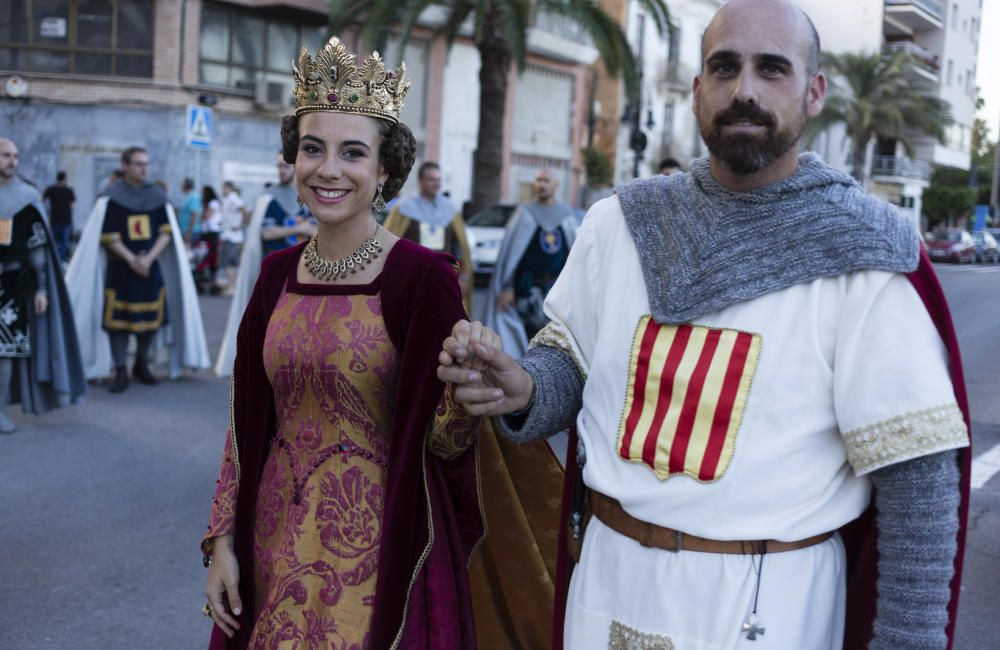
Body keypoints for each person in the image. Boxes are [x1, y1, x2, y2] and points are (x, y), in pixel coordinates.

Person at [438, 1, 971, 648]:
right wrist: (520, 386)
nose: (744, 89)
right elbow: (569, 363)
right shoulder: (621, 223)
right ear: (697, 90)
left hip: (768, 607)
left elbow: (919, 478)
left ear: (815, 92)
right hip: (606, 585)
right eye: (725, 66)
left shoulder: (864, 253)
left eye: (772, 69)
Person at [201, 36, 484, 649]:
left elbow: (446, 438)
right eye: (312, 149)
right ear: (292, 158)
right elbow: (244, 419)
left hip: (382, 555)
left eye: (352, 153)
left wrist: (470, 384)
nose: (327, 169)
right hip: (271, 543)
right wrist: (224, 540)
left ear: (384, 170)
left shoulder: (420, 277)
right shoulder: (276, 273)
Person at [66, 146, 209, 390]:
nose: (144, 168)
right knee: (117, 323)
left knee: (150, 320)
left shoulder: (157, 196)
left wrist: (147, 259)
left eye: (146, 163)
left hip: (149, 268)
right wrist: (132, 259)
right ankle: (120, 369)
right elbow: (108, 234)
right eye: (138, 164)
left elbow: (166, 232)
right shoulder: (112, 197)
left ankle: (141, 364)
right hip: (121, 269)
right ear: (125, 166)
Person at [0, 138, 85, 432]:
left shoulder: (26, 197)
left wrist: (41, 290)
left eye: (15, 155)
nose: (12, 161)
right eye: (5, 155)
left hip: (13, 286)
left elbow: (38, 249)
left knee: (6, 351)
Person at [213, 153, 315, 377]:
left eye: (286, 166)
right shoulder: (268, 199)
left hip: (305, 270)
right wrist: (300, 229)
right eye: (279, 166)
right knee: (272, 322)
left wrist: (308, 230)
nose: (282, 170)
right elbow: (266, 232)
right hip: (275, 271)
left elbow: (320, 231)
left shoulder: (310, 197)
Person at [483, 169, 579, 359]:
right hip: (527, 288)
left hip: (556, 289)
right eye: (538, 180)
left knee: (553, 339)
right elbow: (512, 257)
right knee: (526, 338)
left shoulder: (567, 217)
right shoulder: (524, 214)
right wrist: (508, 287)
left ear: (556, 185)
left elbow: (575, 257)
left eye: (546, 180)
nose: (541, 184)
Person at [384, 161, 473, 310]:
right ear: (421, 181)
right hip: (412, 278)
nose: (436, 184)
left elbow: (459, 248)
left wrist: (463, 277)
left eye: (438, 180)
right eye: (432, 179)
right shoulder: (404, 208)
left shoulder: (450, 209)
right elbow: (389, 243)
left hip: (444, 276)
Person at [219, 181, 247, 296]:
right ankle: (232, 286)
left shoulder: (234, 198)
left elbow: (244, 211)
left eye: (223, 188)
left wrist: (241, 225)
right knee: (230, 262)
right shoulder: (227, 199)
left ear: (228, 188)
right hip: (228, 235)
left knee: (228, 262)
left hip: (232, 236)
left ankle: (232, 286)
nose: (222, 190)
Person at [42, 170, 75, 261]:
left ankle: (53, 260)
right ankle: (59, 260)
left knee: (52, 242)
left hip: (54, 219)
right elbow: (73, 205)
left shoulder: (51, 189)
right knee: (64, 243)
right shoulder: (69, 190)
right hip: (66, 220)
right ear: (65, 178)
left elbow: (42, 199)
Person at [199, 185, 223, 292]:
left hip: (214, 232)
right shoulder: (211, 203)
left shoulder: (213, 203)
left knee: (212, 255)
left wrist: (203, 215)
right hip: (210, 232)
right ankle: (211, 280)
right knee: (211, 254)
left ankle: (212, 280)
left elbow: (207, 215)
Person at [178, 177, 202, 245]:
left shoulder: (194, 196)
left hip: (191, 232)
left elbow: (194, 214)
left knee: (189, 252)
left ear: (186, 185)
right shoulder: (187, 196)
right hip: (185, 231)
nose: (180, 186)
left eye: (182, 184)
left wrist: (189, 232)